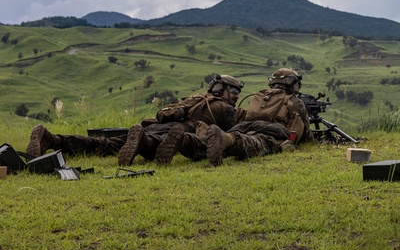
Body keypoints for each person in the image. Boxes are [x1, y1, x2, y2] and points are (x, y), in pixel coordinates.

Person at [24, 74, 244, 164]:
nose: (235, 96)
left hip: (154, 125)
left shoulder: (193, 98)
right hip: (178, 130)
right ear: (222, 90)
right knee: (154, 144)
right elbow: (232, 134)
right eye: (233, 91)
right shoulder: (224, 108)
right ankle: (142, 141)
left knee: (106, 144)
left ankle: (52, 139)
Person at [195, 68, 312, 166]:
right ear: (292, 84)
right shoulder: (296, 102)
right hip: (272, 132)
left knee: (243, 138)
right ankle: (224, 138)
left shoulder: (262, 95)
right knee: (254, 144)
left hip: (246, 127)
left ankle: (190, 140)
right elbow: (306, 134)